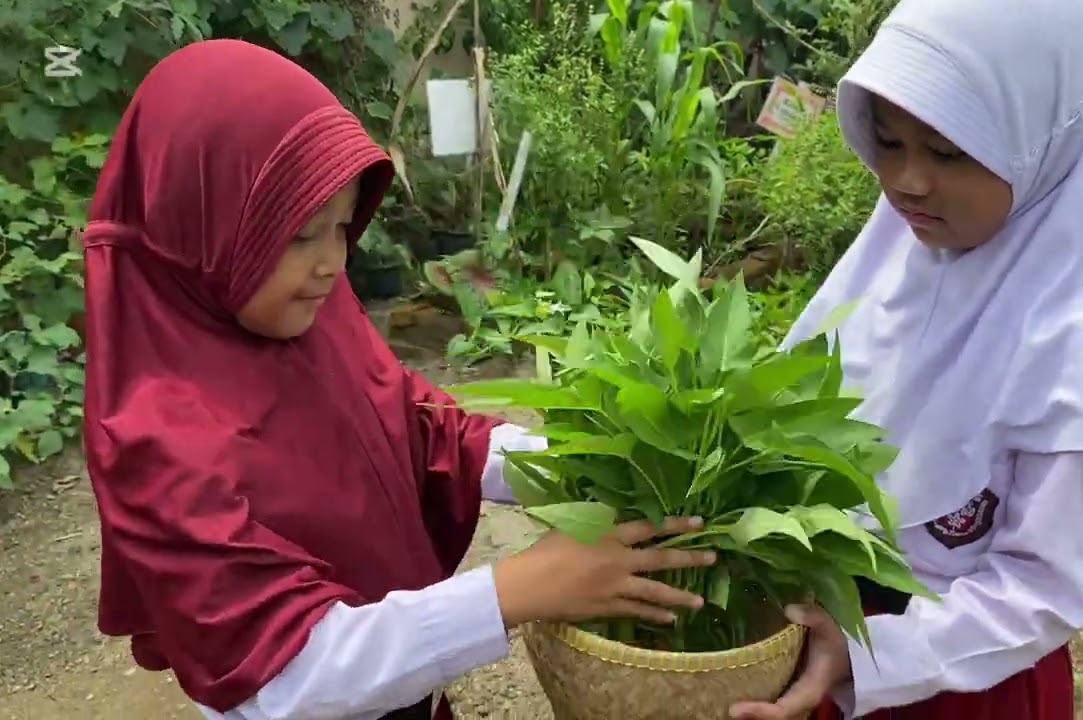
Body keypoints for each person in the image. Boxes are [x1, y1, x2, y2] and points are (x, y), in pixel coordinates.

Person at [82, 39, 716, 720]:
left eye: (342, 227)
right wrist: (514, 591)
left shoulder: (302, 313)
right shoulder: (156, 441)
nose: (332, 261)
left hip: (401, 690)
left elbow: (411, 423)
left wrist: (571, 468)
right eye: (299, 236)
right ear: (199, 228)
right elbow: (285, 672)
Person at [728, 0, 1083, 718]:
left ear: (1040, 138)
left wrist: (876, 654)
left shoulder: (1081, 350)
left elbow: (1039, 591)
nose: (906, 181)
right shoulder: (891, 267)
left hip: (958, 680)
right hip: (827, 641)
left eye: (948, 151)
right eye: (888, 142)